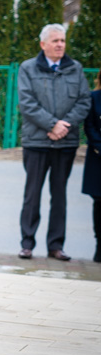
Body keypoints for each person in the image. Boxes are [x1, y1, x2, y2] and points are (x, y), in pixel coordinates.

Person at [17, 24, 91, 261]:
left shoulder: (75, 69)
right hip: (36, 142)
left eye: (62, 40)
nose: (60, 44)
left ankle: (55, 247)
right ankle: (27, 244)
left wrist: (64, 126)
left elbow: (83, 101)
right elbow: (27, 103)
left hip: (65, 143)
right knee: (32, 195)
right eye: (55, 40)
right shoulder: (28, 68)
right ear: (43, 44)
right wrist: (51, 125)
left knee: (59, 196)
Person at [83, 72, 101, 263]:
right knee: (99, 204)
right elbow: (90, 125)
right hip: (98, 156)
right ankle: (99, 247)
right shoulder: (95, 97)